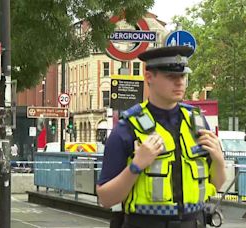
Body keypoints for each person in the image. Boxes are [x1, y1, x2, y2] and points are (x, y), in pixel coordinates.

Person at [96, 46, 226, 228]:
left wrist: (219, 160)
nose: (180, 82)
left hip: (194, 222)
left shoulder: (196, 123)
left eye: (182, 76)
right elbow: (106, 198)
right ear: (149, 78)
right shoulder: (127, 129)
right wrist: (136, 166)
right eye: (171, 77)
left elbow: (217, 184)